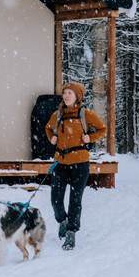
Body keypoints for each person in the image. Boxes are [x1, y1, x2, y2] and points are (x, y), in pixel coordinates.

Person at [44, 81, 107, 250]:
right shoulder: (57, 115)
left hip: (80, 163)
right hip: (60, 162)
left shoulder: (85, 114)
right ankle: (62, 221)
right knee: (56, 200)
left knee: (75, 200)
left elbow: (102, 129)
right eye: (65, 93)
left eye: (70, 93)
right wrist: (52, 138)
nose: (66, 96)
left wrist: (90, 138)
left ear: (77, 96)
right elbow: (48, 128)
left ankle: (71, 232)